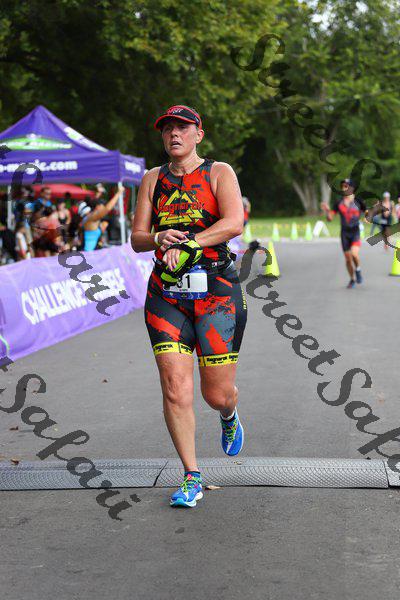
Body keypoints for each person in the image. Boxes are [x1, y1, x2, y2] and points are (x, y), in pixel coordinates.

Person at [131, 105, 247, 508]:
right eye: (167, 129)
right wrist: (158, 237)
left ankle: (228, 415)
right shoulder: (152, 179)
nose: (174, 134)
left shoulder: (219, 172)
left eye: (182, 127)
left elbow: (234, 223)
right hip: (166, 293)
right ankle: (191, 476)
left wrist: (191, 245)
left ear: (199, 134)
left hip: (216, 291)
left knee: (217, 394)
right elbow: (137, 238)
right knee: (175, 388)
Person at [321, 178, 367, 288]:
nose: (344, 188)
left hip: (355, 232)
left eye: (346, 186)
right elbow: (330, 218)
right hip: (344, 234)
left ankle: (358, 270)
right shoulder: (339, 202)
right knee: (348, 259)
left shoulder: (358, 201)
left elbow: (366, 212)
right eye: (343, 186)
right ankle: (352, 279)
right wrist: (327, 211)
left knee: (354, 254)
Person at [81, 187, 122, 251]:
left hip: (91, 252)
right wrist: (119, 193)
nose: (104, 208)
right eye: (103, 206)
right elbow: (107, 209)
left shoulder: (94, 218)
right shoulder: (92, 217)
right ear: (98, 207)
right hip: (88, 252)